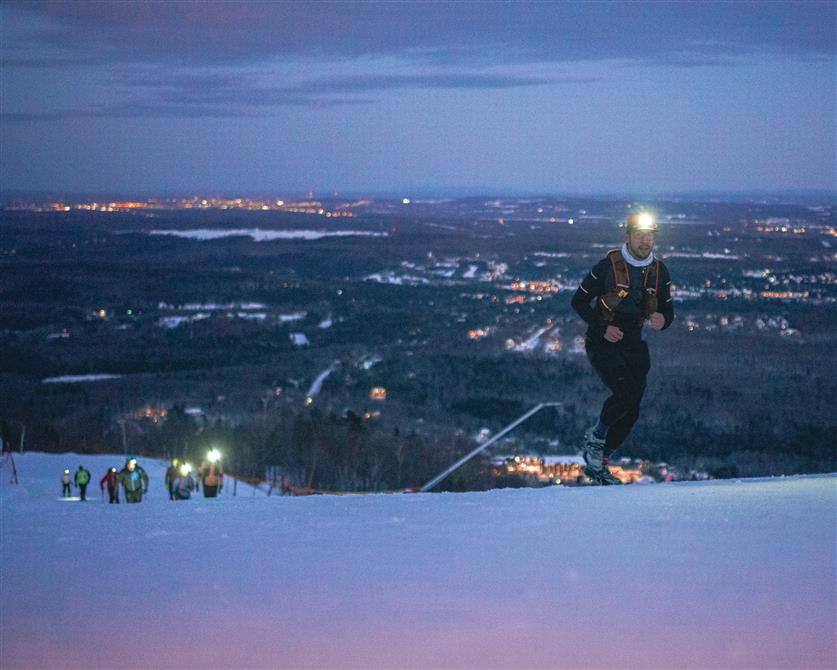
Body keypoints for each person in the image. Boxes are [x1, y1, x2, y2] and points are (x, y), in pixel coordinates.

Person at [571, 212, 674, 485]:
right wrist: (602, 327)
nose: (645, 241)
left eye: (649, 235)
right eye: (639, 235)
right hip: (603, 340)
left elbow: (667, 308)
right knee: (625, 392)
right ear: (627, 236)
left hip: (633, 341)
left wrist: (663, 320)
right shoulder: (607, 267)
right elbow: (578, 301)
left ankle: (600, 463)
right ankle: (595, 440)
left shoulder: (659, 271)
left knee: (633, 406)